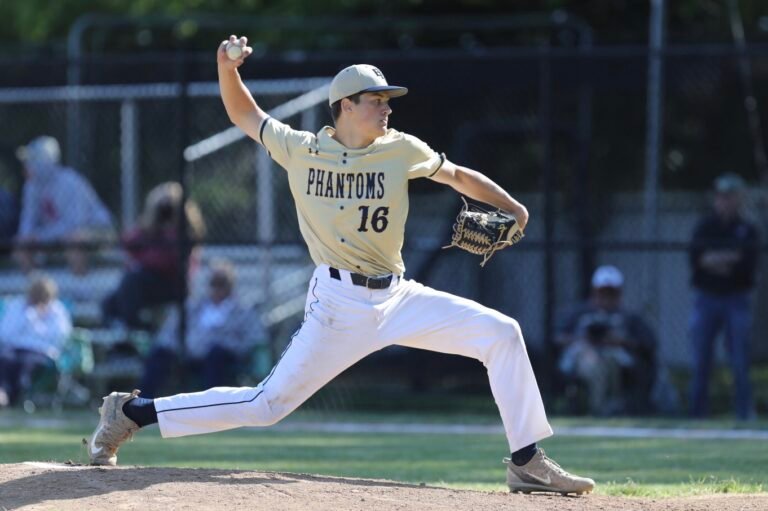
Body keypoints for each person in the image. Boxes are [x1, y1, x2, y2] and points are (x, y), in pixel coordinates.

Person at [86, 35, 594, 496]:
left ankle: (527, 461)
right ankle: (132, 412)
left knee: (501, 334)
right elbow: (245, 115)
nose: (386, 108)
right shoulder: (303, 150)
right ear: (346, 105)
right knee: (265, 406)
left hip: (398, 296)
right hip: (338, 303)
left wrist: (514, 206)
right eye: (376, 100)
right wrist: (227, 69)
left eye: (387, 100)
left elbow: (458, 175)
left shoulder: (400, 149)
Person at [688, 173, 760, 421]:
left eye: (730, 196)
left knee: (739, 359)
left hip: (736, 300)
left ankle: (744, 414)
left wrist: (714, 259)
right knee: (701, 359)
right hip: (706, 299)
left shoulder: (748, 229)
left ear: (739, 198)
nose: (725, 201)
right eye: (721, 196)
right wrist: (728, 258)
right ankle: (697, 416)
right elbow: (697, 260)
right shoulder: (705, 227)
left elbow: (746, 266)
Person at [139, 260, 266, 397]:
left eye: (222, 283)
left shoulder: (242, 310)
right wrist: (175, 347)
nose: (217, 288)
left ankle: (211, 403)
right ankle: (143, 400)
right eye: (214, 283)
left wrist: (229, 345)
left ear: (230, 285)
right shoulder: (194, 307)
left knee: (216, 355)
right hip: (188, 353)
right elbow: (169, 332)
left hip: (219, 358)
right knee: (160, 353)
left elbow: (253, 339)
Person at [101, 181, 206, 329]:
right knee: (109, 302)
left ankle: (134, 328)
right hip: (148, 283)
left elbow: (164, 261)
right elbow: (128, 243)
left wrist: (170, 226)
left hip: (174, 284)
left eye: (169, 207)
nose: (165, 212)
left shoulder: (184, 231)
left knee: (133, 279)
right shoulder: (152, 229)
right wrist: (149, 221)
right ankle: (121, 331)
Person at [556, 265, 658, 416]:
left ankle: (605, 407)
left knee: (609, 362)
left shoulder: (629, 317)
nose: (606, 297)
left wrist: (619, 341)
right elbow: (558, 337)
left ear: (619, 293)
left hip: (615, 358)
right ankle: (598, 408)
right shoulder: (580, 313)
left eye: (611, 293)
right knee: (595, 365)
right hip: (584, 356)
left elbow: (648, 342)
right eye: (602, 292)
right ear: (594, 292)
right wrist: (585, 339)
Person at [13, 136, 114, 275]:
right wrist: (27, 238)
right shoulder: (31, 187)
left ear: (45, 160)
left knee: (75, 240)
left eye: (32, 160)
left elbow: (74, 225)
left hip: (98, 230)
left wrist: (40, 238)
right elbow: (27, 221)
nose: (27, 165)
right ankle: (34, 284)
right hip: (56, 235)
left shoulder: (69, 182)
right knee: (22, 243)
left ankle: (80, 284)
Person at [0, 275, 73, 407]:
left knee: (26, 363)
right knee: (5, 359)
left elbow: (61, 335)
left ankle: (13, 397)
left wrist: (41, 319)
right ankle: (3, 392)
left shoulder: (57, 310)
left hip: (41, 351)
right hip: (15, 347)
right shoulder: (17, 305)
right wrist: (28, 316)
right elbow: (5, 332)